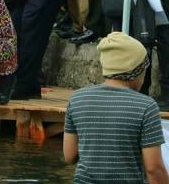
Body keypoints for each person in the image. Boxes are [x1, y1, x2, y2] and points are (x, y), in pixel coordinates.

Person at [64, 32, 168, 183]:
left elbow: (69, 156)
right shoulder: (146, 106)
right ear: (136, 71)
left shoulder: (77, 98)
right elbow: (154, 169)